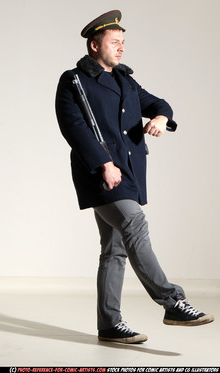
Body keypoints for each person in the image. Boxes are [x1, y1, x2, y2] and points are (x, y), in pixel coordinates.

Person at [55, 10, 214, 344]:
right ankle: (172, 302)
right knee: (134, 223)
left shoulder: (126, 81)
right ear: (94, 45)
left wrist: (159, 117)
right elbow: (75, 128)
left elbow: (159, 102)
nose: (122, 48)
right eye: (115, 42)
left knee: (114, 250)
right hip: (102, 173)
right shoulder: (74, 80)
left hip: (129, 173)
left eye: (123, 42)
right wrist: (103, 164)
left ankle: (109, 326)